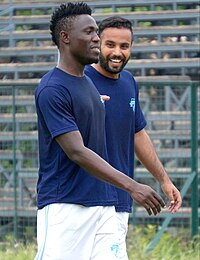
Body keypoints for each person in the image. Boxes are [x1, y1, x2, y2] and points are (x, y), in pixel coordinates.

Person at [85, 16, 182, 260]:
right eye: (110, 45)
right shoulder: (80, 80)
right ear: (98, 44)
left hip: (118, 201)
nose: (117, 52)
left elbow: (137, 134)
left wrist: (164, 179)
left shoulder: (129, 82)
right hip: (82, 200)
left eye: (124, 46)